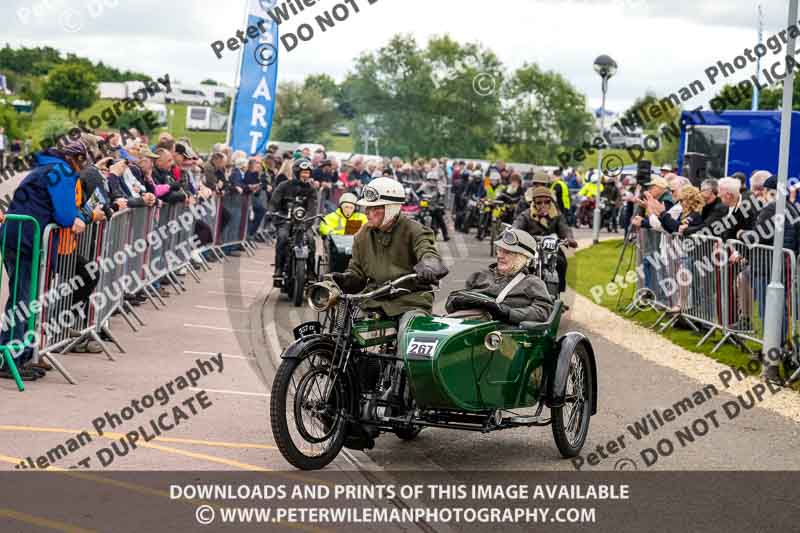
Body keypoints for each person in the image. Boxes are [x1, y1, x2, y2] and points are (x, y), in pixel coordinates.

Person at [0, 139, 91, 380]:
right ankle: (9, 359)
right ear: (77, 159)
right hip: (24, 240)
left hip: (24, 238)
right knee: (22, 301)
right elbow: (64, 215)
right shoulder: (61, 172)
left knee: (27, 300)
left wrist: (78, 215)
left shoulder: (50, 168)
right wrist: (78, 216)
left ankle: (22, 355)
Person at [328, 177, 449, 319]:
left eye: (373, 208)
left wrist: (429, 265)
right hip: (374, 299)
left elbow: (427, 250)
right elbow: (357, 274)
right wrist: (342, 279)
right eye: (367, 207)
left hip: (410, 300)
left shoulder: (415, 230)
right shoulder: (362, 235)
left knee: (408, 331)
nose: (367, 212)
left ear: (391, 208)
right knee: (346, 325)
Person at [446, 228, 554, 324]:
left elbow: (543, 311)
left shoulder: (532, 282)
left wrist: (507, 313)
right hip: (463, 326)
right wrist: (458, 302)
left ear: (523, 257)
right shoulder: (479, 276)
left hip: (499, 336)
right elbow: (450, 305)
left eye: (507, 252)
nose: (500, 256)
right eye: (499, 250)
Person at [513, 187, 577, 295]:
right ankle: (516, 293)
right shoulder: (526, 215)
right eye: (539, 202)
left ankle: (558, 295)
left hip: (551, 248)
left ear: (551, 202)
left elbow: (564, 228)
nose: (543, 205)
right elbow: (516, 227)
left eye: (547, 202)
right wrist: (511, 235)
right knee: (519, 265)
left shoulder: (557, 215)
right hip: (531, 247)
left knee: (561, 262)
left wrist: (569, 239)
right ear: (534, 203)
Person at [270, 159, 318, 282]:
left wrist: (307, 222)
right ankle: (279, 269)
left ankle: (311, 272)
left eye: (307, 173)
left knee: (311, 241)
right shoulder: (284, 186)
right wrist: (273, 213)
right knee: (282, 237)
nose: (305, 175)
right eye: (303, 172)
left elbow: (312, 208)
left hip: (303, 222)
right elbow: (274, 202)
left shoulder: (311, 189)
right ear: (296, 172)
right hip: (285, 219)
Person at [416, 171, 450, 241]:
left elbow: (442, 195)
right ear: (428, 179)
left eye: (434, 180)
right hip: (425, 204)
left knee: (440, 219)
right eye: (430, 179)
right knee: (419, 216)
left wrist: (440, 201)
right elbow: (418, 193)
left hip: (435, 205)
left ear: (436, 180)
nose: (432, 181)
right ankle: (419, 233)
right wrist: (421, 200)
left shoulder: (439, 186)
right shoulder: (424, 185)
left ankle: (445, 235)